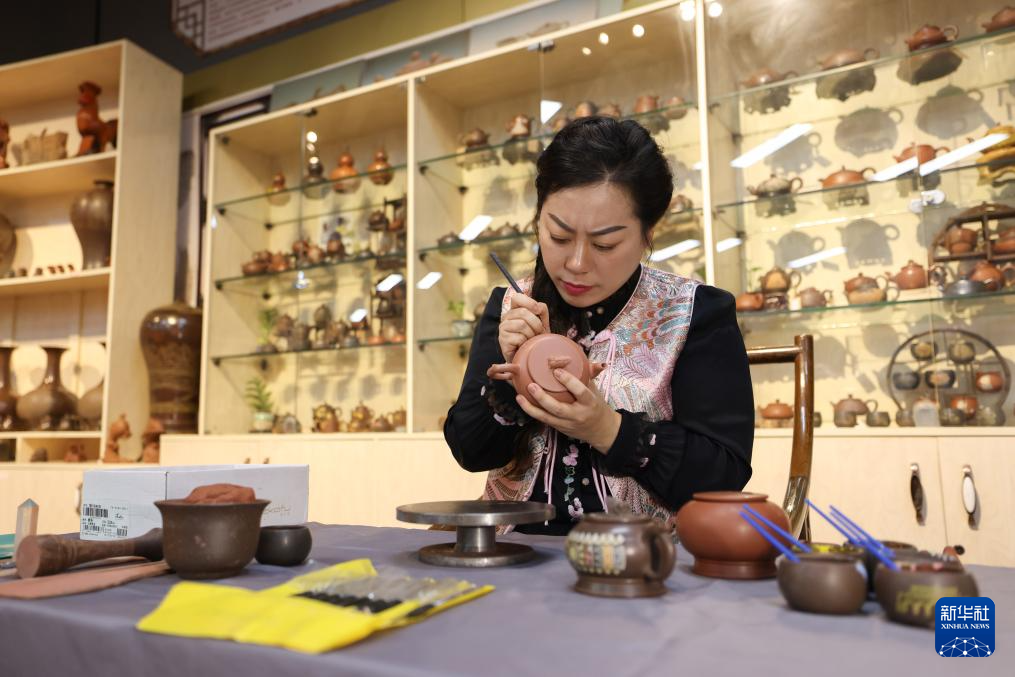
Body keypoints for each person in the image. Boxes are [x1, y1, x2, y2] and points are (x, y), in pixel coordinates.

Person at [443, 116, 754, 535]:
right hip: (515, 552)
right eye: (558, 236)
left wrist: (608, 429)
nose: (576, 263)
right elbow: (469, 452)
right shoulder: (515, 305)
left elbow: (723, 476)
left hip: (643, 559)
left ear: (648, 233)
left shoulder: (694, 312)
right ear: (538, 220)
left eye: (605, 244)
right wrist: (510, 383)